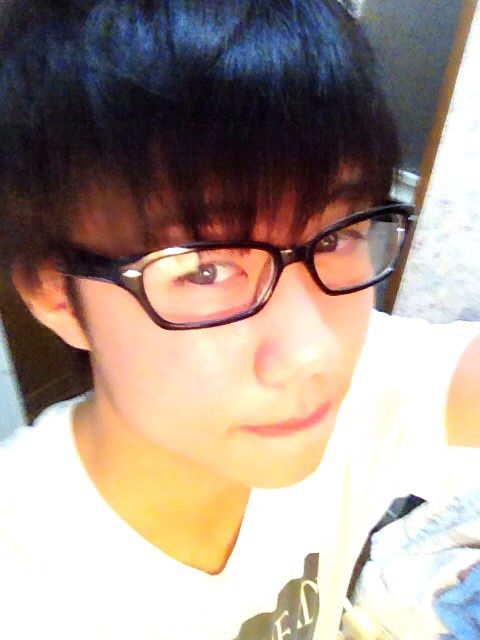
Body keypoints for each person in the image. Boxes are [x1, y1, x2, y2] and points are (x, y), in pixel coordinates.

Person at [0, 1, 478, 639]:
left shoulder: (358, 391)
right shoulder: (25, 581)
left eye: (338, 236)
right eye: (204, 270)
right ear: (56, 295)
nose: (313, 352)